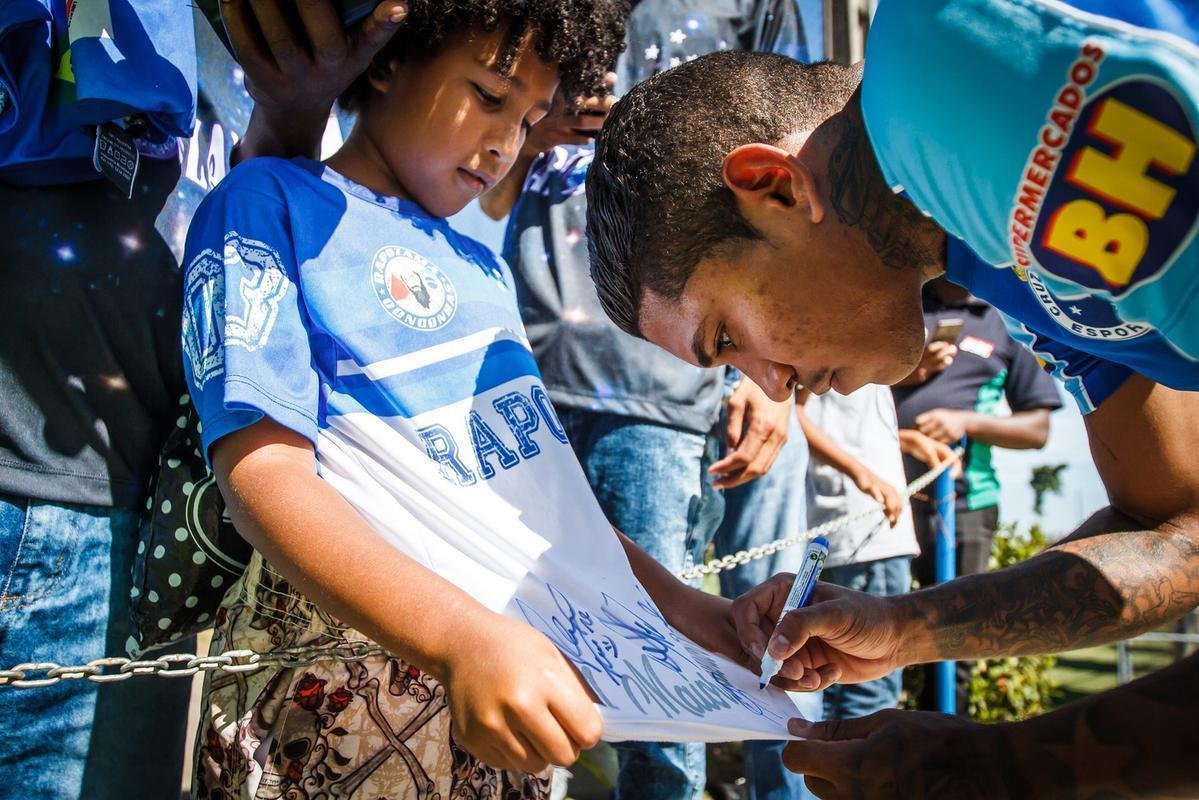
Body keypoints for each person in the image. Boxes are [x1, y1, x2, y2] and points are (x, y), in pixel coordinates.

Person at [583, 0, 1199, 795]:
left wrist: (1003, 769)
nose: (771, 387)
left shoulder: (956, 62)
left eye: (726, 339)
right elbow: (1177, 534)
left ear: (772, 186)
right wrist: (903, 629)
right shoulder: (993, 248)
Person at [182, 4, 782, 796]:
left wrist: (700, 616)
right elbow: (263, 476)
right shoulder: (266, 204)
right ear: (392, 59)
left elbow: (541, 511)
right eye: (489, 95)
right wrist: (459, 639)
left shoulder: (482, 268)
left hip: (504, 710)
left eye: (532, 117)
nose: (505, 143)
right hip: (331, 701)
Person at [0, 2, 406, 797]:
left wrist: (295, 109)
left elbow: (215, 257)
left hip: (139, 536)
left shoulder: (239, 39)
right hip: (35, 502)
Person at [483, 4, 807, 795]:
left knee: (659, 682)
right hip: (523, 378)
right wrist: (537, 124)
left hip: (657, 391)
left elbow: (810, 183)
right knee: (515, 656)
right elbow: (488, 199)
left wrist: (776, 378)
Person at [895, 276, 1063, 712]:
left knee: (953, 637)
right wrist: (910, 372)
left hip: (965, 504)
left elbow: (1037, 427)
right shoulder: (901, 302)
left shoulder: (1008, 319)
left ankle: (944, 752)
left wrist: (963, 422)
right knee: (881, 628)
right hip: (882, 500)